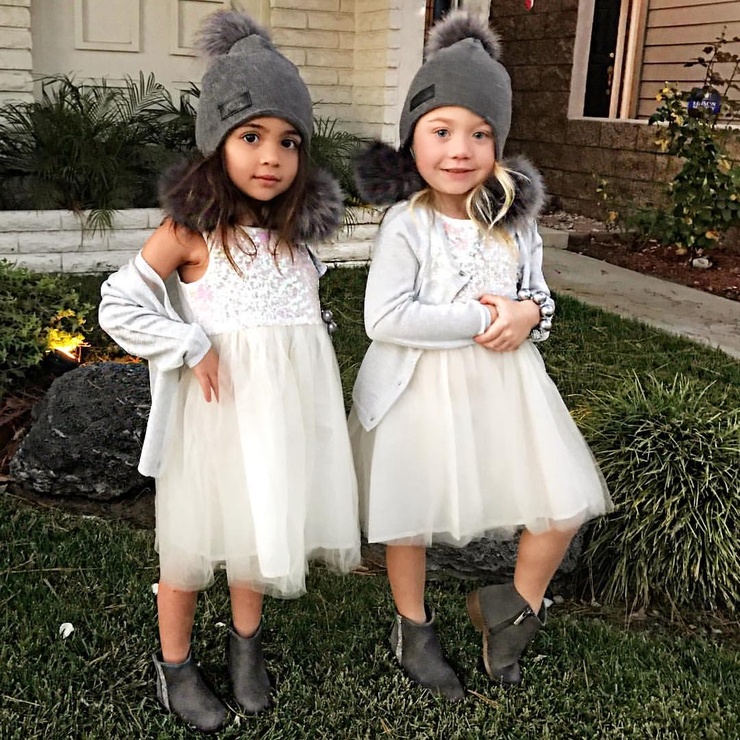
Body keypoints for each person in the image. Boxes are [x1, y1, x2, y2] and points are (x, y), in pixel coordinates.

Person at [98, 10, 360, 732]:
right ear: (217, 142)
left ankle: (247, 644)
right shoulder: (191, 232)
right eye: (251, 137)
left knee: (258, 528)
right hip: (213, 421)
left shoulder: (296, 241)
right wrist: (190, 344)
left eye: (288, 141)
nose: (270, 156)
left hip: (278, 420)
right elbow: (118, 302)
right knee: (188, 547)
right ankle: (175, 665)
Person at [349, 10, 611, 701]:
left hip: (506, 388)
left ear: (499, 142)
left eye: (480, 133)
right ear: (412, 139)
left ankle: (513, 608)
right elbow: (384, 318)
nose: (460, 150)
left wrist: (528, 314)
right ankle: (412, 626)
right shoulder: (407, 224)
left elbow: (538, 298)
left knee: (559, 504)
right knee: (410, 513)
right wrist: (482, 318)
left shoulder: (513, 219)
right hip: (418, 390)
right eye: (441, 131)